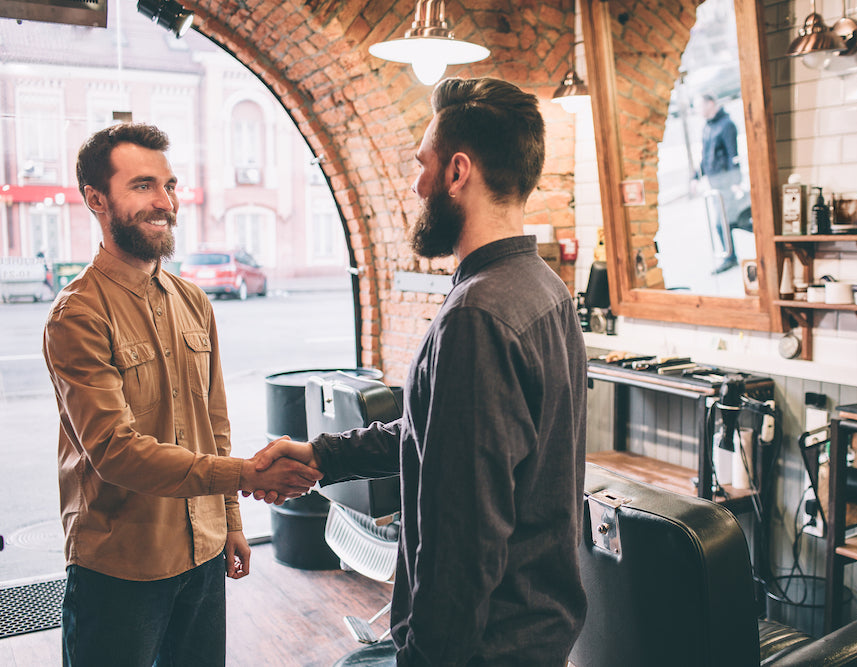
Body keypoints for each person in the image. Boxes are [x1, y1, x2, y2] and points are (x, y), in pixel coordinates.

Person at [253, 77, 589, 666]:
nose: (415, 184)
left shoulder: (478, 316)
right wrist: (324, 456)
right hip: (533, 634)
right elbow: (432, 435)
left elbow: (463, 540)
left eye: (422, 165)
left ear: (458, 172)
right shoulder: (544, 288)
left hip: (482, 648)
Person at [43, 122, 323, 667]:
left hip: (203, 550)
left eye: (169, 186)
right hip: (122, 563)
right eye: (143, 186)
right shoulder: (76, 314)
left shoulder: (194, 300)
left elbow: (214, 422)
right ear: (96, 199)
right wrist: (244, 476)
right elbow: (115, 451)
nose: (165, 202)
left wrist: (233, 524)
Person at [698, 94, 741, 274]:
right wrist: (696, 176)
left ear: (710, 103)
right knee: (727, 221)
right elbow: (705, 155)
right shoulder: (707, 127)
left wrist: (736, 182)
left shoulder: (726, 125)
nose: (698, 110)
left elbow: (733, 155)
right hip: (714, 183)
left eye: (700, 105)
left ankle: (730, 257)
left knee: (723, 222)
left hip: (726, 182)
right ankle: (730, 256)